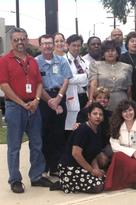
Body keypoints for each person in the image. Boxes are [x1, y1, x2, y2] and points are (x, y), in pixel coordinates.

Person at [0, 27, 52, 193]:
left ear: (27, 39)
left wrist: (36, 100)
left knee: (37, 143)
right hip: (15, 107)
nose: (20, 42)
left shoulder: (32, 60)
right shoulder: (4, 60)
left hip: (33, 106)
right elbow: (4, 85)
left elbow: (38, 83)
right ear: (11, 42)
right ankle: (15, 179)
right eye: (16, 40)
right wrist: (22, 103)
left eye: (23, 39)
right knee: (14, 146)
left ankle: (36, 176)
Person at [36, 34, 72, 176]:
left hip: (59, 97)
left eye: (50, 43)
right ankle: (43, 167)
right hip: (43, 100)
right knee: (43, 133)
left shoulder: (62, 61)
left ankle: (56, 167)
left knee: (58, 134)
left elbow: (66, 80)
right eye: (44, 43)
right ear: (40, 46)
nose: (47, 46)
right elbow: (36, 83)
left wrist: (58, 98)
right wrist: (50, 101)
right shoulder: (35, 62)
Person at [52, 103, 106, 193]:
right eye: (95, 114)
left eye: (100, 114)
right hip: (70, 167)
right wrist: (92, 171)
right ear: (89, 115)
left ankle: (73, 183)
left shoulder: (98, 129)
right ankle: (65, 183)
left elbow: (93, 155)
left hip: (83, 166)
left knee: (103, 178)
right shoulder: (83, 130)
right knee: (98, 186)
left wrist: (96, 170)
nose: (98, 117)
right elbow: (76, 154)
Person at [105, 100, 136, 190]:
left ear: (135, 111)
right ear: (121, 113)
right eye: (125, 111)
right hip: (126, 157)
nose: (128, 113)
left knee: (132, 168)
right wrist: (132, 152)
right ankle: (125, 179)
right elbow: (114, 146)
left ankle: (127, 179)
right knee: (117, 155)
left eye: (130, 110)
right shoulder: (117, 126)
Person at [88, 40, 133, 111]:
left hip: (121, 101)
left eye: (113, 50)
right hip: (102, 101)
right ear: (103, 54)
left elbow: (129, 88)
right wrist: (91, 100)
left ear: (117, 53)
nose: (110, 53)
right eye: (107, 51)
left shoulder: (127, 67)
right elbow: (93, 84)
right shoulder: (95, 65)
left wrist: (130, 103)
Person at [76, 87, 112, 169]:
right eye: (99, 97)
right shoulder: (84, 113)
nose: (103, 100)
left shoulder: (110, 115)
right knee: (103, 160)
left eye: (105, 98)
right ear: (94, 99)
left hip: (104, 146)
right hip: (87, 147)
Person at [64, 34, 89, 138]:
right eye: (74, 45)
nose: (76, 48)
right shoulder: (62, 61)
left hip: (84, 97)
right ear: (68, 46)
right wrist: (85, 77)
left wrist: (75, 78)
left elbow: (90, 80)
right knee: (71, 130)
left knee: (83, 128)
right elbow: (67, 79)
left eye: (79, 45)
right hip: (71, 98)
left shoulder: (85, 62)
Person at [119, 32, 136, 107]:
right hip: (127, 90)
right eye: (132, 41)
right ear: (127, 44)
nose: (134, 43)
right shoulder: (122, 58)